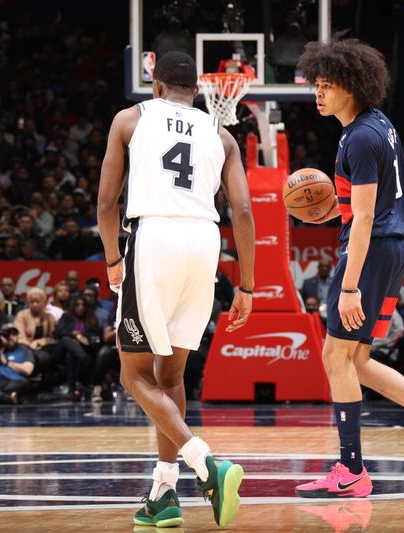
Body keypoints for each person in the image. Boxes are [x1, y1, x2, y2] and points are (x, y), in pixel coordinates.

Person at [293, 38, 404, 499]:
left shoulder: (360, 137)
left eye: (326, 85)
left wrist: (349, 286)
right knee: (357, 360)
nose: (317, 93)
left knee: (335, 357)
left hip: (372, 251)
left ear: (350, 87)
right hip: (390, 249)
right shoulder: (376, 125)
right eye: (316, 84)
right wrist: (328, 210)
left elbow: (367, 216)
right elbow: (362, 205)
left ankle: (351, 469)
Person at [97, 51, 254, 528]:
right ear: (199, 92)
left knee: (133, 375)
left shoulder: (130, 118)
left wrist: (111, 260)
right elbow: (243, 214)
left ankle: (206, 463)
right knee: (172, 375)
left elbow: (107, 203)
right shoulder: (222, 134)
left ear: (157, 86)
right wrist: (247, 284)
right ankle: (164, 493)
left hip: (154, 238)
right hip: (206, 242)